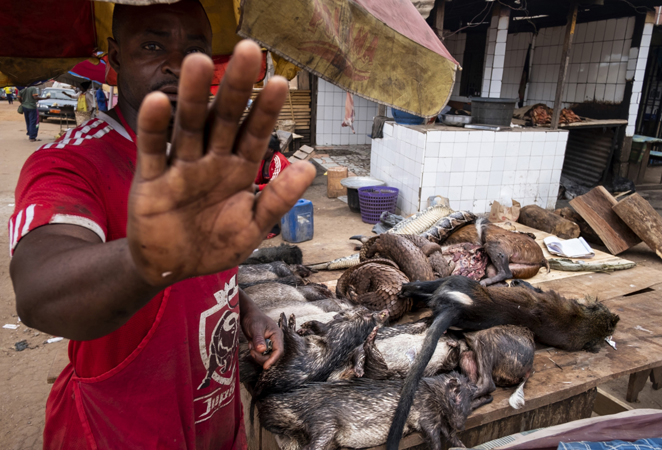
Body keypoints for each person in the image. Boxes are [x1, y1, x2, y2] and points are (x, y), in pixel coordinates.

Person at [8, 1, 315, 448]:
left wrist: (245, 309)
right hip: (122, 426)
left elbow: (199, 270)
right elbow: (38, 293)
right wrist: (146, 259)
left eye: (194, 49)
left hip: (214, 417)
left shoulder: (207, 157)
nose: (177, 65)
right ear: (115, 57)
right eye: (153, 45)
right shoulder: (71, 161)